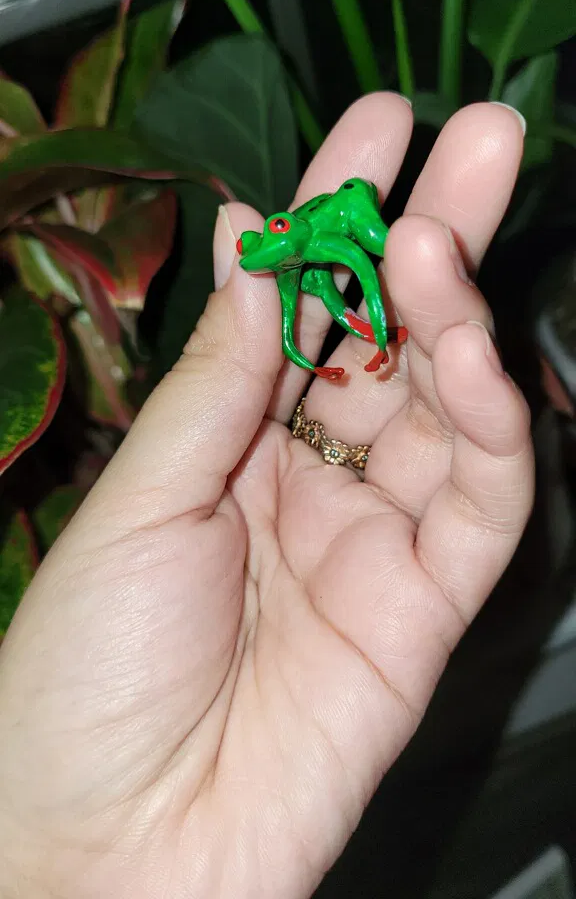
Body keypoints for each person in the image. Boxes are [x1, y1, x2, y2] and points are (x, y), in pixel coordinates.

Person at [0, 95, 534, 899]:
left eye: (268, 239)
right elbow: (292, 322)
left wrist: (376, 319)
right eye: (257, 247)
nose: (260, 254)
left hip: (341, 223)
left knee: (386, 260)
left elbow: (360, 269)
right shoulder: (279, 262)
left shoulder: (315, 234)